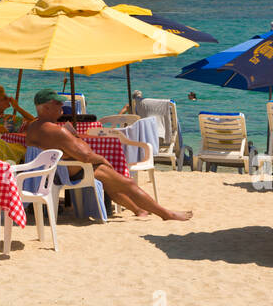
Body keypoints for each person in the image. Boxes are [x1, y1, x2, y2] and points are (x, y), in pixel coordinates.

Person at [24, 89, 192, 221]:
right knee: (126, 182)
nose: (62, 107)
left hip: (51, 172)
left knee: (111, 182)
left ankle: (139, 210)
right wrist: (104, 159)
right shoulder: (58, 131)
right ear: (45, 107)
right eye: (57, 104)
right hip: (67, 171)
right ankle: (165, 214)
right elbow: (86, 157)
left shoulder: (32, 127)